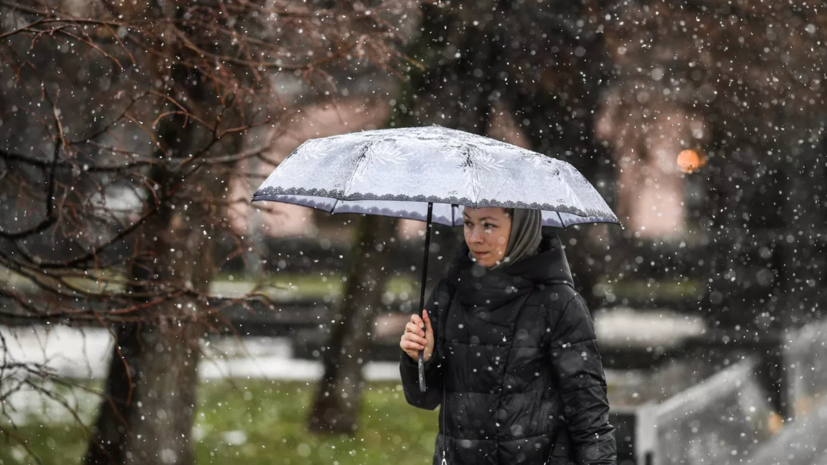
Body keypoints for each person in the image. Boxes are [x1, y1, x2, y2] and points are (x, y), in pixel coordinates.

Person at [399, 207, 616, 465]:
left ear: (521, 229)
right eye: (468, 223)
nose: (475, 237)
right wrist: (420, 359)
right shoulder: (449, 293)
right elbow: (423, 397)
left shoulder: (559, 304)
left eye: (488, 225)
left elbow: (589, 416)